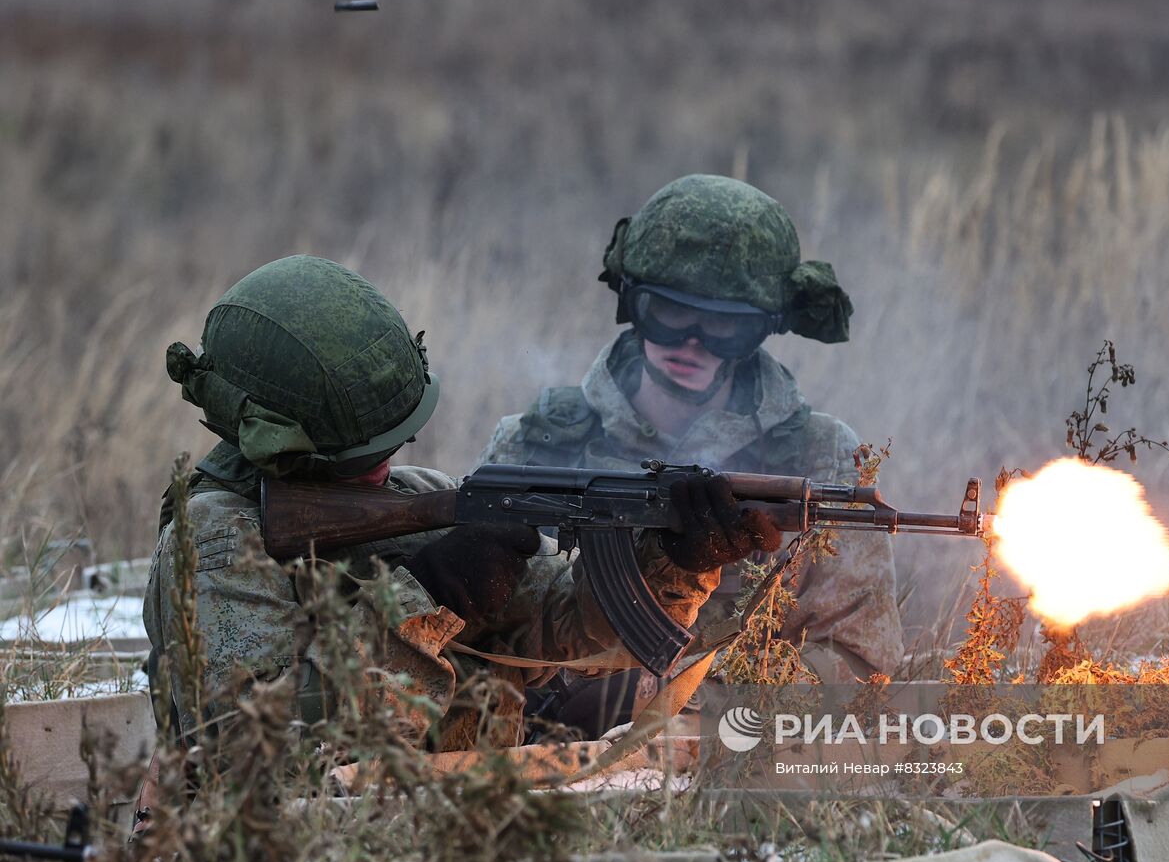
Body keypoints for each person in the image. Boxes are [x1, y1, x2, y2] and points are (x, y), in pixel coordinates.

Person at [142, 254, 777, 752]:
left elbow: (570, 636)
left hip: (472, 836)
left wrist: (669, 561)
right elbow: (254, 752)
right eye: (361, 455)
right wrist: (426, 599)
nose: (387, 465)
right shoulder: (218, 542)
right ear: (282, 448)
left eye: (399, 437)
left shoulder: (416, 496)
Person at [478, 175, 900, 738]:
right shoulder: (533, 445)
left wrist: (680, 706)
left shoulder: (821, 461)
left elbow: (856, 668)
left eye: (727, 323)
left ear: (765, 326)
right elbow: (473, 636)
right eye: (670, 313)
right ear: (632, 302)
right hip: (532, 767)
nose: (693, 342)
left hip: (722, 769)